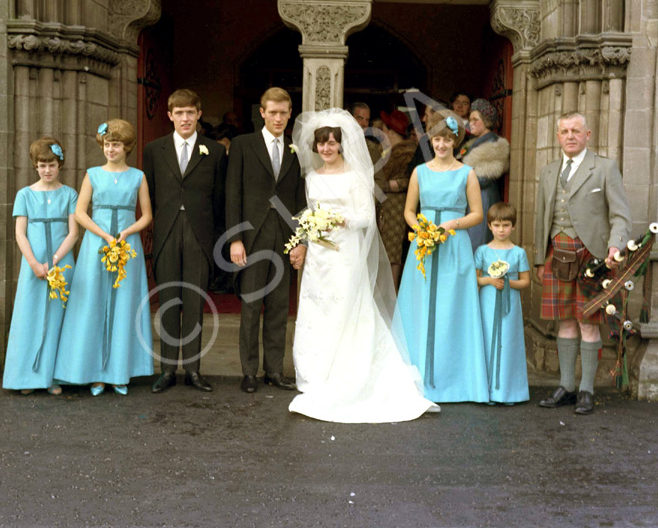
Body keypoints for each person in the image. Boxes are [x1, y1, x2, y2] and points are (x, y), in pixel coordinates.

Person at [287, 109, 439, 423]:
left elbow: (366, 218)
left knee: (347, 308)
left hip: (346, 252)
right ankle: (317, 372)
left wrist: (339, 220)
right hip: (319, 256)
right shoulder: (312, 177)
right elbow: (309, 214)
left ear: (341, 145)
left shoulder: (357, 176)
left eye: (332, 143)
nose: (326, 149)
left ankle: (349, 371)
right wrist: (303, 239)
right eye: (321, 144)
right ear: (315, 147)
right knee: (318, 308)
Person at [535, 111, 632, 415]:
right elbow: (541, 218)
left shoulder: (604, 168)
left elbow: (620, 214)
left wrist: (615, 245)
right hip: (557, 253)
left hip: (593, 256)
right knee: (564, 320)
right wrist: (539, 258)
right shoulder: (549, 171)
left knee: (588, 322)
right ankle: (566, 386)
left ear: (588, 134)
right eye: (564, 131)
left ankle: (587, 390)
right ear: (558, 136)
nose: (570, 136)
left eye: (576, 130)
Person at [53, 120, 153, 396]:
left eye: (116, 144)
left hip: (126, 246)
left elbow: (146, 215)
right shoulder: (92, 175)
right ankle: (94, 373)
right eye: (107, 144)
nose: (111, 149)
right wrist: (104, 236)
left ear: (127, 147)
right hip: (95, 246)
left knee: (123, 305)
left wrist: (125, 233)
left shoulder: (138, 177)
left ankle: (119, 373)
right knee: (92, 303)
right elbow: (81, 213)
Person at [395, 113, 489, 403]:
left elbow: (477, 214)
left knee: (452, 308)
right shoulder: (419, 172)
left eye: (447, 139)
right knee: (419, 306)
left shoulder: (467, 173)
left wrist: (450, 225)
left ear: (455, 141)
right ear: (431, 141)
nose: (442, 144)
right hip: (423, 245)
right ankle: (415, 376)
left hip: (454, 245)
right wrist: (421, 229)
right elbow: (409, 211)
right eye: (437, 139)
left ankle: (455, 380)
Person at [144, 89, 227, 394]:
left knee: (194, 302)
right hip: (166, 231)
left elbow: (219, 199)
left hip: (199, 234)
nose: (185, 118)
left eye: (190, 112)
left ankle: (192, 369)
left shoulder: (214, 152)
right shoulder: (154, 150)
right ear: (170, 116)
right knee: (168, 300)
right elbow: (149, 193)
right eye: (179, 113)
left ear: (199, 115)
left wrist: (215, 239)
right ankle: (167, 370)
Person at [226, 87, 306, 394]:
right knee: (251, 304)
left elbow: (299, 199)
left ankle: (274, 370)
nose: (278, 118)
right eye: (272, 112)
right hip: (252, 234)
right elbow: (233, 194)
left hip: (284, 235)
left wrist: (301, 241)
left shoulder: (295, 149)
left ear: (289, 114)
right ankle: (249, 371)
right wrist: (235, 239)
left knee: (279, 306)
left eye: (283, 113)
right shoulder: (243, 144)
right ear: (262, 112)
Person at [3, 138, 78, 396]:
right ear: (35, 166)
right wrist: (34, 263)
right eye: (42, 165)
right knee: (30, 316)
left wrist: (54, 261)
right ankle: (27, 378)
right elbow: (20, 234)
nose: (47, 170)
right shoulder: (24, 195)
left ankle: (54, 376)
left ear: (60, 165)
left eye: (52, 165)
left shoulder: (70, 194)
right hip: (33, 266)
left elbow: (73, 233)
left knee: (59, 317)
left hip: (62, 264)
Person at [474, 202, 531, 404]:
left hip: (509, 303)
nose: (501, 230)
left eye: (506, 225)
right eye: (497, 225)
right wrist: (490, 280)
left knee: (507, 342)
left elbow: (526, 281)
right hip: (488, 301)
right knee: (487, 340)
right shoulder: (482, 251)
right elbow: (475, 279)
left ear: (513, 226)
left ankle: (507, 391)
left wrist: (509, 282)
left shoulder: (518, 253)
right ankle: (486, 390)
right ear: (489, 226)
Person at [462, 99, 510, 251]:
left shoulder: (494, 143)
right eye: (470, 120)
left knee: (477, 245)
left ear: (487, 121)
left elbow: (484, 178)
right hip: (474, 197)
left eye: (476, 119)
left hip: (483, 199)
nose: (471, 123)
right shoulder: (474, 142)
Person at [377, 108, 417, 288]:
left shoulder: (406, 153)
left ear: (391, 132)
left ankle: (391, 302)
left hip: (397, 208)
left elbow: (410, 181)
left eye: (384, 130)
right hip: (385, 207)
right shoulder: (387, 150)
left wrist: (385, 185)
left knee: (393, 255)